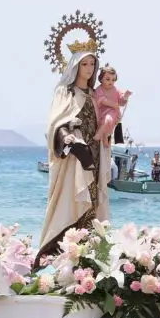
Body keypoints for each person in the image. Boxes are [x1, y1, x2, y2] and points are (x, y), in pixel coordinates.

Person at [37, 47, 110, 263]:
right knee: (72, 201)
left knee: (93, 202)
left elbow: (106, 121)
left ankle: (91, 259)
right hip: (74, 160)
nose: (89, 69)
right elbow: (55, 123)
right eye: (84, 64)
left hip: (96, 155)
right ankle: (63, 257)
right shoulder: (65, 92)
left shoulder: (95, 95)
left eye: (92, 64)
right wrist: (68, 137)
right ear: (75, 66)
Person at [94, 64, 132, 147]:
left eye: (113, 80)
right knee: (105, 122)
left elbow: (121, 101)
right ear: (101, 79)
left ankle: (103, 135)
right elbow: (101, 99)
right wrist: (114, 105)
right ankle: (101, 135)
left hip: (113, 113)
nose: (111, 82)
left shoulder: (115, 90)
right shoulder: (99, 89)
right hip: (102, 112)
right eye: (108, 79)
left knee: (108, 121)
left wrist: (126, 95)